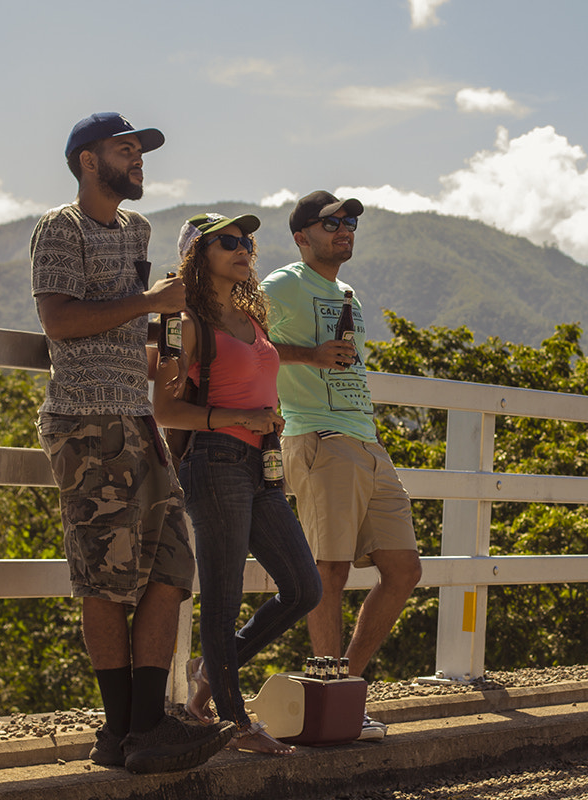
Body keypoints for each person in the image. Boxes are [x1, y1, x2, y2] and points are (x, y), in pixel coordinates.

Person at [31, 112, 235, 773]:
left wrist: (161, 342)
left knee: (173, 569)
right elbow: (59, 320)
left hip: (138, 419)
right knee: (105, 578)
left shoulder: (139, 230)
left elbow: (134, 318)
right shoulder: (60, 228)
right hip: (86, 422)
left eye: (141, 150)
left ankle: (146, 728)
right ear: (89, 161)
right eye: (127, 150)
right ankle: (121, 733)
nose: (139, 159)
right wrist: (149, 304)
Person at [152, 212, 322, 754]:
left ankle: (209, 674)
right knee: (222, 599)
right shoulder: (188, 323)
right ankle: (236, 723)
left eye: (248, 240)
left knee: (302, 587)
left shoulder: (253, 317)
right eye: (228, 241)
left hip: (262, 464)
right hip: (216, 462)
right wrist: (236, 419)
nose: (244, 247)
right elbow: (164, 409)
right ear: (197, 255)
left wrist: (266, 420)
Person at [260, 191, 423, 742]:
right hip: (319, 436)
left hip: (366, 441)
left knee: (403, 570)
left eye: (350, 221)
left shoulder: (345, 291)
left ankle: (345, 688)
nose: (345, 228)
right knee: (329, 572)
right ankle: (331, 706)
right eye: (332, 222)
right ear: (302, 235)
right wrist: (308, 356)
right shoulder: (283, 284)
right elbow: (243, 341)